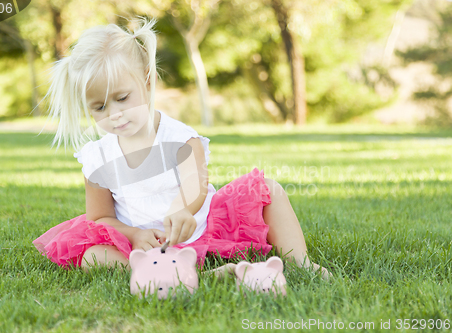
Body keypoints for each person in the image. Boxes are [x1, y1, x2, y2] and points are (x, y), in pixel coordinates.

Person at [32, 17, 331, 280]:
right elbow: (98, 218)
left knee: (267, 189)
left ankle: (301, 263)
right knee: (94, 257)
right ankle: (179, 273)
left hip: (201, 226)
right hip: (145, 244)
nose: (114, 114)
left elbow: (195, 185)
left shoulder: (178, 137)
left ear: (147, 81)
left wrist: (180, 209)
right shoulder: (98, 159)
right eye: (99, 107)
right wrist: (135, 235)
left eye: (122, 98)